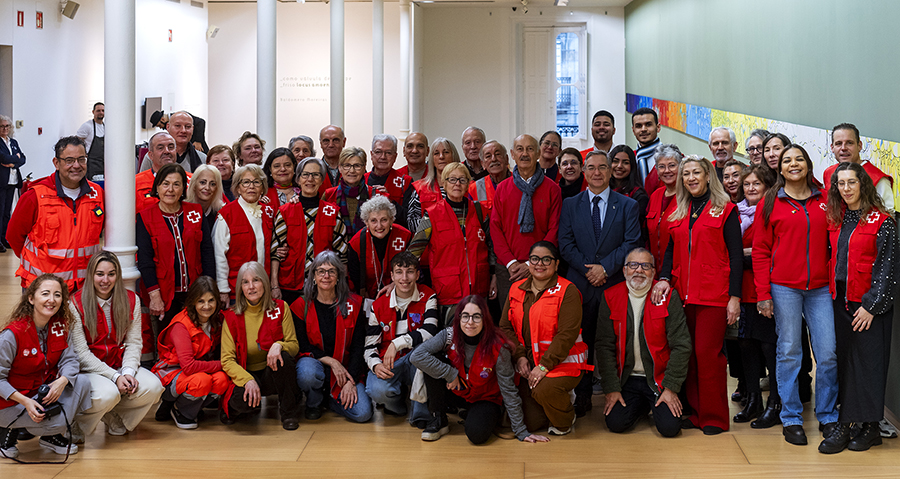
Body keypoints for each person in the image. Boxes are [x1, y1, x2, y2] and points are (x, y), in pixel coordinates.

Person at [753, 144, 838, 446]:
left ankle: (827, 415)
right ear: (780, 168)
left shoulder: (825, 200)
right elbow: (760, 251)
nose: (793, 164)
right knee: (789, 352)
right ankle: (790, 418)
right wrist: (763, 293)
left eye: (799, 159)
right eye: (787, 160)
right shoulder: (770, 202)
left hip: (820, 288)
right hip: (784, 287)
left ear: (807, 164)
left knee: (827, 353)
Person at [653, 155, 742, 435]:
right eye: (686, 174)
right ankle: (694, 412)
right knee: (687, 354)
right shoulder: (679, 210)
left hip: (714, 295)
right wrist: (664, 278)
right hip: (682, 295)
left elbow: (736, 256)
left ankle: (715, 417)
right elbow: (670, 250)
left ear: (707, 176)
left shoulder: (725, 209)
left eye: (696, 173)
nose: (691, 178)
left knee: (707, 354)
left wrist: (735, 297)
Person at [818, 162, 898, 454]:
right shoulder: (837, 218)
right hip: (841, 301)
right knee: (847, 363)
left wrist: (871, 306)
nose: (846, 188)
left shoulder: (882, 221)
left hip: (869, 306)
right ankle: (860, 425)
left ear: (863, 184)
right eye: (841, 183)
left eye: (852, 182)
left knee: (869, 366)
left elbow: (888, 270)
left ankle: (863, 426)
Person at [559, 149, 641, 416]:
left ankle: (616, 392)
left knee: (612, 341)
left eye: (602, 167)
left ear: (610, 171)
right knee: (581, 342)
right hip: (580, 286)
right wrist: (589, 270)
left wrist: (604, 268)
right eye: (591, 168)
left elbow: (631, 242)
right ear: (584, 171)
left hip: (612, 284)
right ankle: (582, 395)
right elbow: (565, 244)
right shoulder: (570, 204)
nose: (597, 173)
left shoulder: (628, 205)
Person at [410, 295, 550, 444]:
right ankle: (439, 418)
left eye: (476, 317)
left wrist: (521, 431)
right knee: (431, 358)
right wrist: (450, 374)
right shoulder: (449, 335)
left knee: (477, 435)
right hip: (458, 390)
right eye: (465, 316)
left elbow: (509, 390)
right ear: (459, 318)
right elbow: (416, 356)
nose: (470, 322)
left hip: (485, 398)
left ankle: (476, 415)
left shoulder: (498, 347)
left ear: (485, 319)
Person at [595, 248, 691, 437]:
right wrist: (612, 388)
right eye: (633, 265)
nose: (639, 270)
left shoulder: (668, 297)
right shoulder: (610, 297)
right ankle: (641, 407)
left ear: (654, 272)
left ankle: (652, 402)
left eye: (645, 266)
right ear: (624, 270)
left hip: (658, 380)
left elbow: (682, 346)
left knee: (670, 428)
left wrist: (670, 388)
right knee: (616, 423)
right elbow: (604, 346)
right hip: (626, 379)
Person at [69, 252, 163, 441]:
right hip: (88, 370)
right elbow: (81, 354)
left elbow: (134, 343)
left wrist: (127, 372)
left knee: (154, 387)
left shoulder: (132, 300)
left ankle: (113, 415)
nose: (105, 280)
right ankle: (77, 424)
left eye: (111, 274)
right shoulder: (75, 304)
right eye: (100, 274)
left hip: (118, 365)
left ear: (117, 276)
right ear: (91, 275)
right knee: (108, 394)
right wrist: (115, 377)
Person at [500, 241, 590, 436]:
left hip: (562, 364)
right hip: (528, 364)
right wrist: (519, 356)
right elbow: (505, 327)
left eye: (546, 259)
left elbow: (567, 335)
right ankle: (550, 404)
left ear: (556, 264)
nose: (539, 264)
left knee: (544, 391)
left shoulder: (568, 291)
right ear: (529, 262)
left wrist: (543, 367)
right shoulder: (515, 289)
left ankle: (566, 419)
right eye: (534, 259)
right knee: (530, 423)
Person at [0, 274, 89, 458]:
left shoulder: (61, 326)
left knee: (82, 382)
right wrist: (25, 401)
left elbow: (70, 360)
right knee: (56, 424)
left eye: (57, 295)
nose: (52, 300)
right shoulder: (12, 334)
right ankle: (7, 429)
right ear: (31, 299)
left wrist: (62, 381)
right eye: (45, 293)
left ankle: (49, 436)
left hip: (41, 395)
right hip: (11, 402)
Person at [8, 136, 104, 292]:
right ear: (56, 163)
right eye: (69, 160)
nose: (76, 165)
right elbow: (14, 236)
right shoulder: (35, 196)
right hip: (42, 288)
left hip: (83, 288)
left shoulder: (97, 194)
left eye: (81, 159)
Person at [220, 262, 301, 429]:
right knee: (243, 402)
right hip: (246, 372)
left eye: (256, 280)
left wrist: (279, 345)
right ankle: (237, 408)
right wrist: (247, 380)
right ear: (240, 287)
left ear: (264, 282)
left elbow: (293, 346)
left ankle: (288, 414)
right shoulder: (231, 316)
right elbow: (227, 360)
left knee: (284, 357)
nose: (251, 287)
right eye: (245, 282)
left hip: (271, 372)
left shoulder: (281, 307)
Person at [293, 251, 372, 423]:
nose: (326, 276)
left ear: (338, 277)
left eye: (331, 271)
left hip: (346, 370)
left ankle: (329, 401)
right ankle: (314, 403)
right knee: (307, 372)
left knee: (363, 413)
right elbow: (303, 346)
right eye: (321, 271)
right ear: (314, 276)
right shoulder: (301, 305)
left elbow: (359, 346)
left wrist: (351, 381)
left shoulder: (354, 304)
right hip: (317, 366)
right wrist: (332, 362)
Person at [410, 163, 492, 321]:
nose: (457, 184)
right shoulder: (431, 215)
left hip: (479, 288)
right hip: (449, 291)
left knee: (480, 331)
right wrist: (401, 278)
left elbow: (492, 246)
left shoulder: (480, 211)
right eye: (452, 179)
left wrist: (494, 275)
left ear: (468, 183)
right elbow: (414, 251)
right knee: (451, 334)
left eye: (462, 179)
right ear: (444, 183)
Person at [364, 252, 438, 427]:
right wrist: (375, 365)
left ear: (417, 275)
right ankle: (397, 406)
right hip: (390, 362)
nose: (404, 278)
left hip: (416, 360)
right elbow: (369, 346)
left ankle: (420, 415)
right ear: (391, 276)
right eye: (399, 272)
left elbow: (430, 332)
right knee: (376, 389)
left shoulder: (428, 296)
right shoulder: (378, 305)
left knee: (421, 354)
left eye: (410, 271)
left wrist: (396, 343)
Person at [137, 163, 216, 328]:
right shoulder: (145, 218)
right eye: (165, 184)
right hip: (164, 295)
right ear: (157, 187)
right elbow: (145, 261)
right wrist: (155, 296)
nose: (170, 190)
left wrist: (209, 289)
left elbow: (207, 253)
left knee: (198, 336)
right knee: (168, 338)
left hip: (196, 292)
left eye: (176, 184)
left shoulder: (196, 212)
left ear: (183, 188)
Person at [490, 135, 562, 310]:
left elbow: (554, 229)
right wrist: (511, 263)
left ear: (538, 154)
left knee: (542, 318)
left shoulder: (552, 189)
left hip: (542, 267)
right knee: (509, 319)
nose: (524, 154)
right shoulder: (502, 188)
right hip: (508, 270)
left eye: (530, 149)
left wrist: (532, 263)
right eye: (520, 149)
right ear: (512, 154)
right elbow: (495, 229)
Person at [732, 164, 780, 428]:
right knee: (746, 344)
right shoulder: (736, 212)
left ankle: (775, 401)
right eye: (747, 184)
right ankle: (753, 400)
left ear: (767, 187)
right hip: (742, 290)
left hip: (766, 289)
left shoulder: (771, 211)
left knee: (769, 347)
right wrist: (744, 254)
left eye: (756, 184)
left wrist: (743, 255)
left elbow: (772, 252)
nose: (750, 188)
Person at [152, 277, 230, 429]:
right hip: (170, 373)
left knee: (222, 380)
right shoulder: (181, 324)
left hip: (196, 370)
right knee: (202, 381)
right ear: (193, 301)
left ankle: (188, 407)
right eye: (201, 301)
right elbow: (188, 366)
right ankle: (180, 410)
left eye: (211, 300)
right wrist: (223, 364)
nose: (206, 306)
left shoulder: (217, 321)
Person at [271, 157, 348, 306]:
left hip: (324, 286)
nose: (310, 179)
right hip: (290, 285)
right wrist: (274, 286)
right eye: (305, 174)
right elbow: (275, 253)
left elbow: (342, 255)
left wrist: (342, 287)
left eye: (316, 175)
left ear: (322, 180)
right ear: (298, 179)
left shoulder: (333, 212)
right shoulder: (285, 212)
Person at [213, 164, 279, 302]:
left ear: (262, 187)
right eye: (246, 182)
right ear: (238, 187)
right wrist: (223, 290)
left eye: (256, 182)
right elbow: (219, 256)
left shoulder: (269, 212)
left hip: (264, 289)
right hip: (236, 289)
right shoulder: (226, 214)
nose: (251, 186)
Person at [348, 195, 411, 299]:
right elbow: (355, 277)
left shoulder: (405, 236)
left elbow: (411, 269)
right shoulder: (356, 243)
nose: (379, 226)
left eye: (384, 220)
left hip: (400, 292)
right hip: (368, 296)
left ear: (392, 219)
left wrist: (395, 285)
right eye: (373, 220)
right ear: (366, 222)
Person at [822, 123, 894, 214]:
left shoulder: (878, 179)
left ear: (859, 145)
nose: (843, 148)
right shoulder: (828, 173)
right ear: (832, 148)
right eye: (838, 143)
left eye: (849, 143)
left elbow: (887, 215)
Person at [323, 147, 380, 243]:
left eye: (357, 166)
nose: (352, 170)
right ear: (340, 168)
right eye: (347, 165)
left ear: (364, 168)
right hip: (336, 248)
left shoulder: (376, 195)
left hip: (367, 248)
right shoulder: (329, 195)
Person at [407, 138, 460, 232]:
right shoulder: (420, 189)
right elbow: (412, 223)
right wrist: (441, 225)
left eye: (446, 152)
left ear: (454, 156)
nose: (441, 156)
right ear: (432, 159)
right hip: (429, 240)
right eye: (436, 153)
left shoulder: (467, 187)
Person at [645, 144, 683, 273]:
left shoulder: (688, 196)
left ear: (681, 167)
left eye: (672, 165)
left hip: (679, 272)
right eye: (661, 166)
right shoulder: (655, 196)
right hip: (654, 272)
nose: (667, 171)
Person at [140, 112, 207, 173]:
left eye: (188, 127)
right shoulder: (152, 157)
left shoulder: (202, 158)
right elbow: (142, 180)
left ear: (193, 129)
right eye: (177, 126)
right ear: (168, 127)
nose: (183, 130)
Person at [609, 145, 649, 244]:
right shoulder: (602, 191)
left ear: (632, 166)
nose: (619, 166)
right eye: (615, 161)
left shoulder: (639, 196)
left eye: (625, 162)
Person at [136, 132, 180, 213]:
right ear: (151, 155)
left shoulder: (190, 181)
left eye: (171, 147)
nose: (167, 151)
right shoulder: (135, 183)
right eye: (160, 148)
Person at [365, 134, 412, 209]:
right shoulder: (362, 180)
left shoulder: (405, 182)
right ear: (371, 155)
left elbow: (408, 215)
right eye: (378, 152)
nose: (383, 157)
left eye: (388, 153)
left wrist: (390, 201)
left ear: (395, 157)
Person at [0, 115, 25, 253]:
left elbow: (23, 159)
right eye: (2, 126)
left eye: (7, 126)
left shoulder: (13, 142)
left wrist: (13, 163)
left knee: (7, 212)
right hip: (2, 181)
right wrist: (16, 158)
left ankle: (4, 238)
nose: (5, 129)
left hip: (13, 181)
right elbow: (3, 157)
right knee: (0, 211)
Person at [467, 140, 511, 216]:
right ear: (483, 164)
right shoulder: (474, 189)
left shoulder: (520, 183)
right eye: (488, 156)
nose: (494, 159)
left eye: (498, 154)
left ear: (506, 159)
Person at [631, 107, 662, 188]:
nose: (643, 129)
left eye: (648, 124)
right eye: (638, 126)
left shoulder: (673, 158)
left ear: (658, 127)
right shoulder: (629, 158)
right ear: (633, 130)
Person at [75, 102, 105, 182]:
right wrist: (82, 155)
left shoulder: (106, 127)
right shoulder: (87, 126)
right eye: (98, 110)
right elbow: (77, 142)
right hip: (91, 164)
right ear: (93, 112)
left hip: (104, 163)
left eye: (103, 110)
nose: (101, 112)